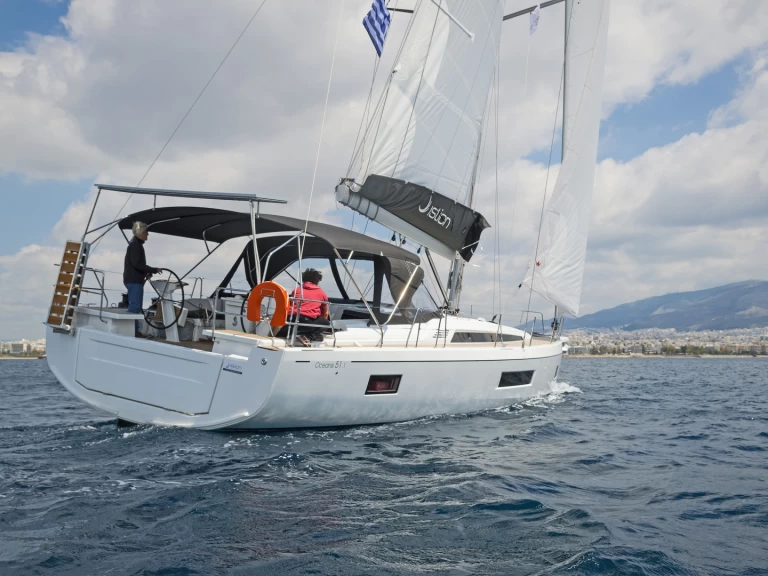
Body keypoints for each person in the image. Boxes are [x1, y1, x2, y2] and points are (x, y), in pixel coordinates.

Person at [123, 221, 160, 336]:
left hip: (134, 279)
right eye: (146, 232)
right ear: (140, 233)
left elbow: (137, 265)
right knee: (135, 308)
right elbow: (137, 264)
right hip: (134, 281)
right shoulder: (135, 245)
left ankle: (135, 331)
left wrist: (146, 273)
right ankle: (133, 333)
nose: (147, 235)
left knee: (136, 307)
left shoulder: (135, 244)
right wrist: (153, 269)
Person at [286, 269, 330, 344]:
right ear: (317, 281)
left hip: (291, 320)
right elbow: (325, 313)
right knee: (326, 323)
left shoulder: (296, 290)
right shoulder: (321, 293)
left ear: (304, 279)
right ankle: (308, 336)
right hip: (306, 322)